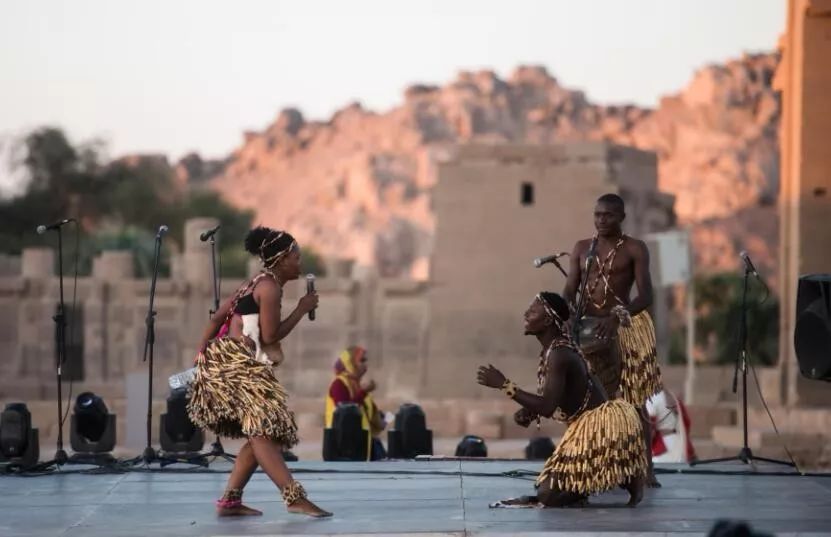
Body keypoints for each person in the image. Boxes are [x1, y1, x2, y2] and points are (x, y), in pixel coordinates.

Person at [187, 226, 331, 518]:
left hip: (231, 363)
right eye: (296, 256)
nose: (300, 262)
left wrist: (201, 356)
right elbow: (270, 336)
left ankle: (230, 501)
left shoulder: (254, 282)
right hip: (238, 365)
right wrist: (302, 309)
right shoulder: (269, 288)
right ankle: (294, 498)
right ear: (281, 258)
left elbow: (217, 318)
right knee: (264, 433)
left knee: (263, 433)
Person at [476, 292, 646, 507]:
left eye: (533, 311)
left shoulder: (559, 354)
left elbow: (547, 407)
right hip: (589, 425)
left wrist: (505, 385)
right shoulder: (554, 349)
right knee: (547, 491)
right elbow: (557, 396)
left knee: (548, 495)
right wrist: (531, 410)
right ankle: (610, 474)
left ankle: (623, 473)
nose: (526, 314)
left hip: (602, 429)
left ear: (547, 320)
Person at [563, 193, 663, 486]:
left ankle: (645, 468)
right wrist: (567, 312)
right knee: (585, 398)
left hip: (624, 325)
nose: (601, 220)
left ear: (621, 217)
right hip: (587, 327)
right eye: (597, 215)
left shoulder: (634, 248)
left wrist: (616, 317)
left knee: (635, 399)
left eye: (607, 215)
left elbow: (646, 295)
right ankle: (590, 465)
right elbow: (569, 289)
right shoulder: (582, 249)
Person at [324, 346, 387, 460]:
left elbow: (369, 414)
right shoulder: (339, 384)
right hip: (343, 446)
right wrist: (363, 392)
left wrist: (381, 420)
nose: (365, 365)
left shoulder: (357, 385)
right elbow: (346, 412)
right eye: (361, 360)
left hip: (361, 443)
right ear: (350, 363)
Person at [647, 388, 697, 463]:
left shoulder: (652, 398)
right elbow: (686, 423)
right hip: (679, 442)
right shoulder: (673, 396)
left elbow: (649, 430)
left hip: (663, 446)